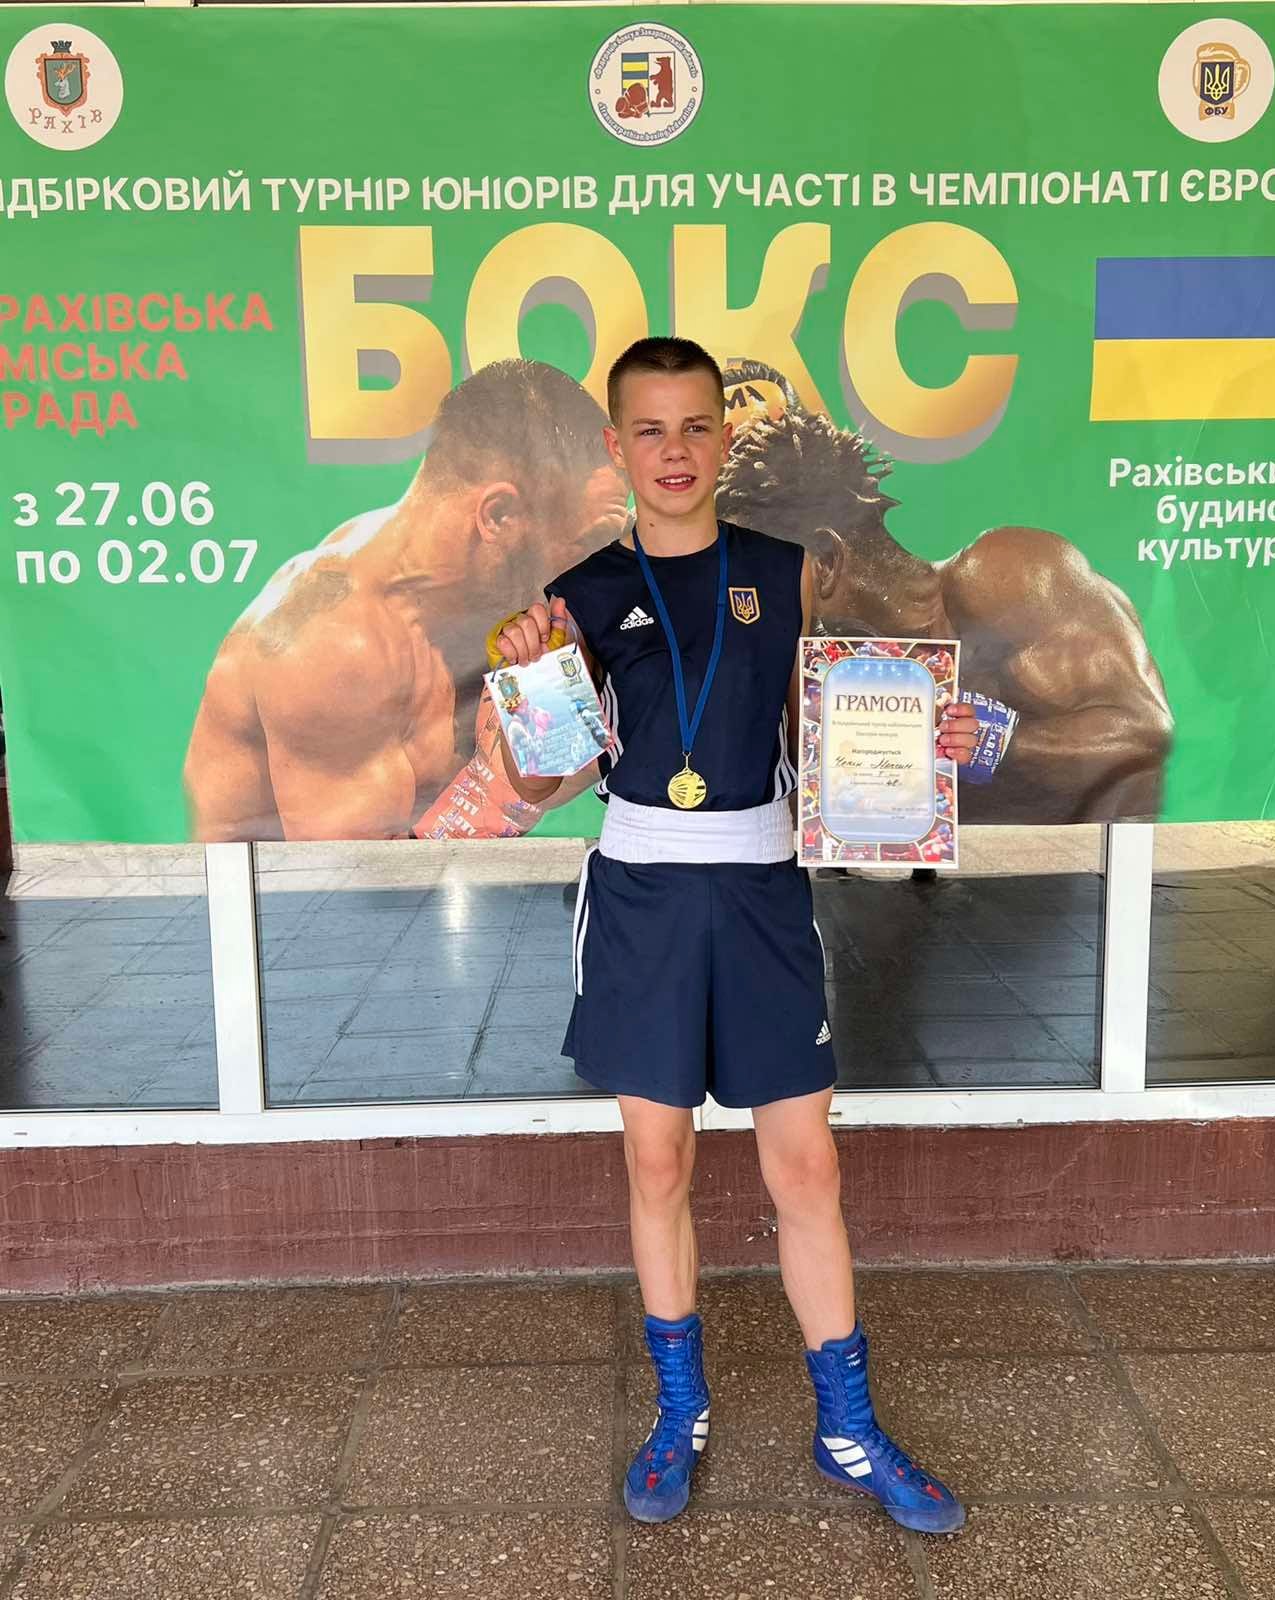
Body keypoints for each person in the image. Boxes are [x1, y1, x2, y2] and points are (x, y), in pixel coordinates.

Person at [491, 336, 979, 1535]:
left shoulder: (786, 569)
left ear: (723, 436)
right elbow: (547, 783)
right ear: (617, 446)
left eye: (696, 426)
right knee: (658, 1164)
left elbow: (838, 728)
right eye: (650, 430)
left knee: (805, 1166)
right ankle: (679, 1413)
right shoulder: (579, 595)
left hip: (761, 891)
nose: (676, 451)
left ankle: (848, 1429)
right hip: (644, 896)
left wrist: (940, 739)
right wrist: (530, 690)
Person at [183, 360, 627, 841]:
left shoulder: (480, 598)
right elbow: (357, 878)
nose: (604, 565)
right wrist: (519, 761)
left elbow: (550, 773)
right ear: (498, 516)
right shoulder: (335, 645)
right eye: (592, 542)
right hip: (289, 890)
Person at [716, 381, 1173, 823]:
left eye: (762, 571)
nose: (753, 597)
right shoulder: (819, 664)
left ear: (827, 560)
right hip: (931, 872)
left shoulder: (1006, 577)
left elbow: (1143, 729)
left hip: (1089, 869)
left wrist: (990, 741)